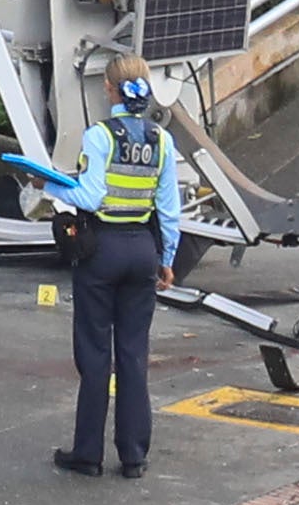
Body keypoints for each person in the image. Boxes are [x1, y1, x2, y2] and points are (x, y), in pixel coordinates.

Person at [15, 42, 179, 478]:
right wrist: (169, 259)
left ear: (110, 90)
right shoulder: (163, 142)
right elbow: (169, 210)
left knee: (94, 355)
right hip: (143, 251)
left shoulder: (100, 136)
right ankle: (134, 456)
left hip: (101, 250)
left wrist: (50, 186)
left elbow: (90, 196)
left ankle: (87, 454)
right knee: (133, 355)